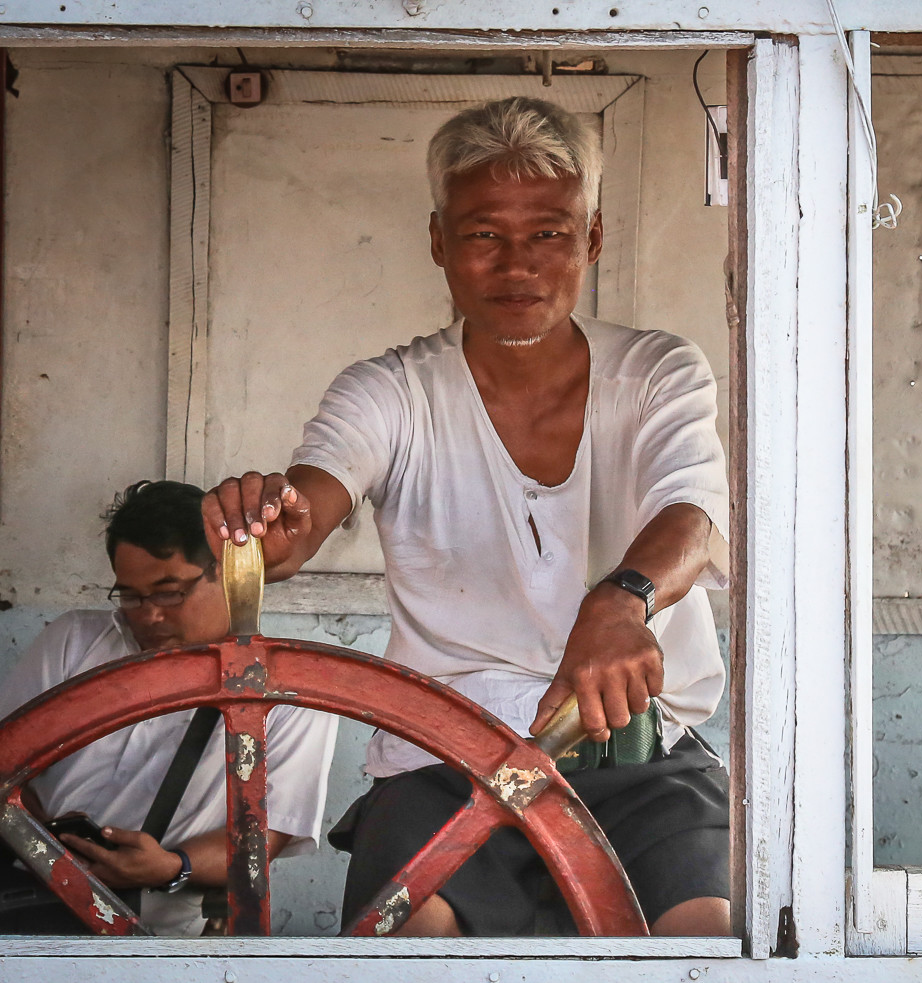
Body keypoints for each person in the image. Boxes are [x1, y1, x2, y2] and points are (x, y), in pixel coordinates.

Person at [202, 96, 730, 937]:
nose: (517, 263)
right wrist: (274, 525)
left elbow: (693, 515)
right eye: (484, 234)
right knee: (412, 935)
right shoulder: (391, 391)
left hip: (639, 755)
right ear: (441, 244)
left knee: (705, 933)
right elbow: (316, 492)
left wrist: (623, 597)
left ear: (590, 241)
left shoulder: (659, 371)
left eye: (549, 233)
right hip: (442, 758)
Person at [0, 480, 339, 935]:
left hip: (152, 930)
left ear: (226, 570)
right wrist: (48, 848)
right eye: (131, 595)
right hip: (27, 896)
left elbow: (265, 838)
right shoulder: (73, 641)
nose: (149, 615)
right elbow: (8, 763)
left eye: (169, 592)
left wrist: (169, 866)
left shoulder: (293, 695)